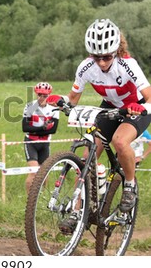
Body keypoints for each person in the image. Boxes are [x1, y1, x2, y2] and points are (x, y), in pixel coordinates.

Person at [47, 18, 151, 233]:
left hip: (135, 108)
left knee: (120, 142)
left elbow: (149, 97)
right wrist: (61, 102)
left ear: (115, 51)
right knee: (86, 158)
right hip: (110, 109)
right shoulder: (86, 67)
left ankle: (129, 186)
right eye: (96, 57)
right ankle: (77, 211)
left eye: (106, 57)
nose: (102, 63)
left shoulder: (127, 65)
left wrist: (142, 108)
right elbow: (73, 98)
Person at [22, 82, 59, 193]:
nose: (42, 98)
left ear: (48, 95)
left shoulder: (54, 109)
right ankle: (29, 199)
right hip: (31, 142)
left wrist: (36, 129)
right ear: (36, 94)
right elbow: (25, 127)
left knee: (44, 173)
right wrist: (43, 128)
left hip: (45, 143)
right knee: (34, 172)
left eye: (45, 96)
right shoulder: (30, 106)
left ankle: (40, 196)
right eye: (40, 95)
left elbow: (53, 130)